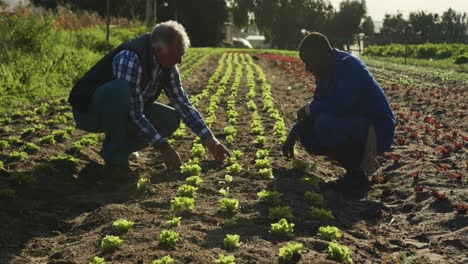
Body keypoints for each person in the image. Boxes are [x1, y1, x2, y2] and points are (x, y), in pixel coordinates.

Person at [68, 21, 230, 175]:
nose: (179, 61)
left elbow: (183, 104)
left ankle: (119, 149)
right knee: (120, 89)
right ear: (159, 50)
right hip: (90, 112)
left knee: (170, 119)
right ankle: (115, 162)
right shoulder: (131, 58)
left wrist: (210, 140)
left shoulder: (168, 67)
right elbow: (134, 112)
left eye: (181, 55)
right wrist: (164, 148)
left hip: (124, 111)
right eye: (176, 55)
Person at [282, 32, 396, 191]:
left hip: (377, 129)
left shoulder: (348, 65)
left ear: (320, 54)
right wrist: (295, 133)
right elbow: (319, 106)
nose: (307, 68)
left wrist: (309, 108)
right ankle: (353, 168)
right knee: (308, 132)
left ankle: (357, 175)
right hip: (354, 124)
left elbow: (340, 105)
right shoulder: (325, 73)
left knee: (325, 123)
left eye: (309, 62)